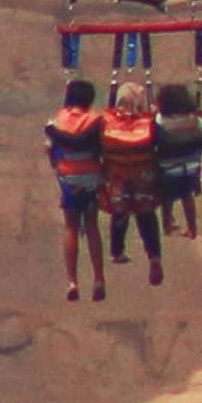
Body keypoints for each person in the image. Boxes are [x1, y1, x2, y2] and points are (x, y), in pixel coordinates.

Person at [96, 79, 172, 278]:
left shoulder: (106, 120)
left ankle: (117, 250)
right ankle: (154, 256)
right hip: (143, 176)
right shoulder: (149, 122)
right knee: (146, 216)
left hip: (117, 176)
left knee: (119, 214)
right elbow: (163, 141)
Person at [47, 79, 111, 301]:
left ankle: (72, 281)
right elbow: (104, 148)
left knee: (71, 227)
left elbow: (52, 151)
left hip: (69, 179)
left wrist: (57, 165)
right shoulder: (95, 120)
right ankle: (99, 279)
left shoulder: (59, 121)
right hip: (91, 178)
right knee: (91, 226)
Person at [153, 82, 202, 239]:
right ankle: (192, 229)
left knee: (166, 197)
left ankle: (167, 225)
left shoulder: (160, 120)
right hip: (191, 169)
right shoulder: (195, 121)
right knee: (187, 196)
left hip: (168, 169)